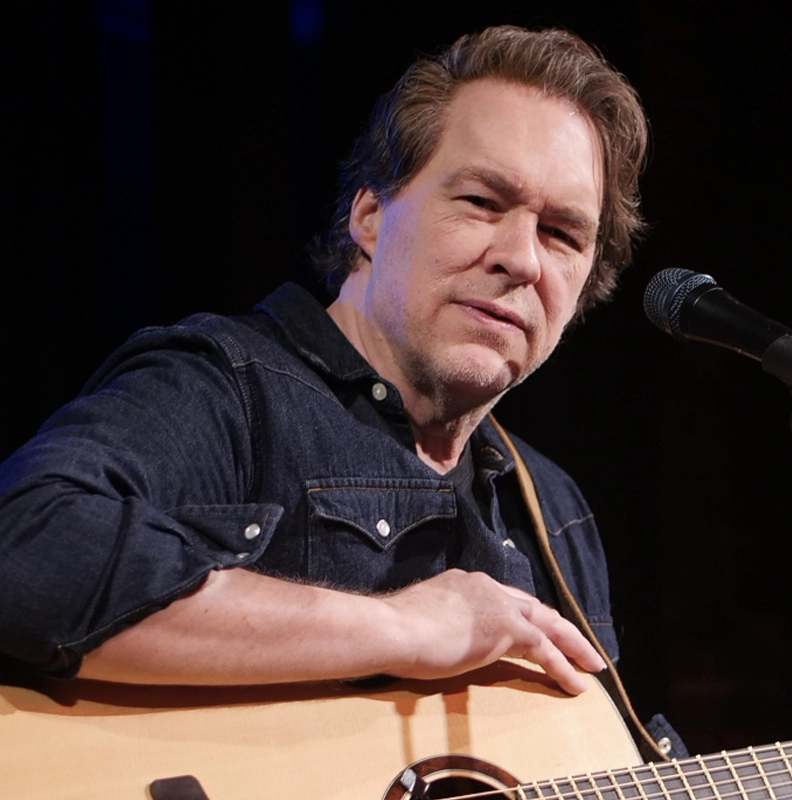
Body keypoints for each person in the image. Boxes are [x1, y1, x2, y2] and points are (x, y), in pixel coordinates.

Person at [0, 26, 647, 698]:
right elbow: (24, 544)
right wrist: (403, 627)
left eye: (561, 233)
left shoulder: (554, 509)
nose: (522, 258)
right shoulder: (229, 392)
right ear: (370, 216)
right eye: (482, 203)